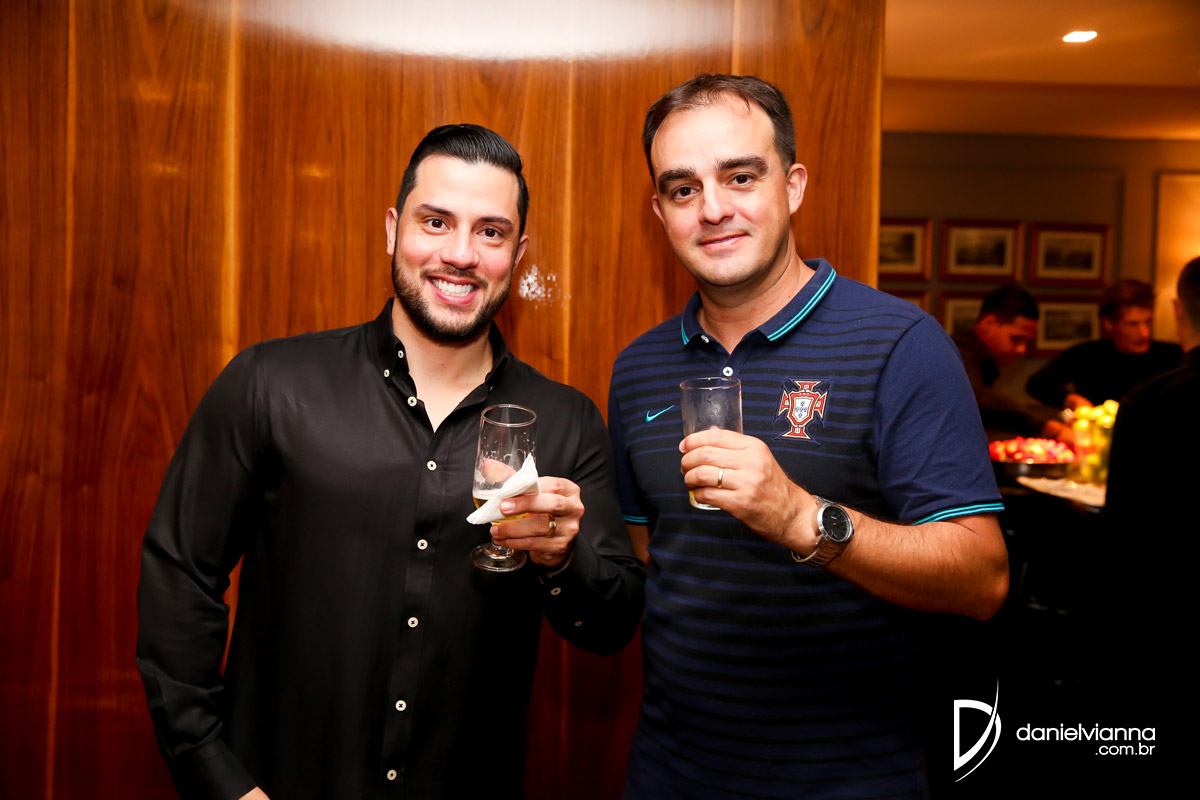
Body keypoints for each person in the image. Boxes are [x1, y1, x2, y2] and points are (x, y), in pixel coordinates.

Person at [136, 124, 644, 800]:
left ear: (517, 254)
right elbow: (180, 575)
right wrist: (217, 777)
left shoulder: (566, 420)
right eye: (436, 222)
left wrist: (562, 559)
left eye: (491, 232)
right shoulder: (270, 383)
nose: (460, 254)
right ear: (392, 229)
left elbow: (610, 625)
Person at [607, 74, 1008, 799]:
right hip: (670, 775)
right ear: (660, 212)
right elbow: (648, 556)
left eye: (740, 177)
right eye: (683, 189)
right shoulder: (638, 368)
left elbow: (981, 579)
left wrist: (802, 518)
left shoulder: (902, 344)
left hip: (849, 781)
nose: (713, 209)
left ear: (792, 186)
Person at [1026, 278, 1183, 409]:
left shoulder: (1173, 355)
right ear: (1108, 323)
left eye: (1148, 321)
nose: (1144, 333)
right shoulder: (1086, 355)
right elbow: (1037, 383)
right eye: (1132, 324)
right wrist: (1072, 400)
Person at [954, 284, 1072, 441]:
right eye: (1016, 339)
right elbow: (976, 396)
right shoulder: (958, 352)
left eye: (1027, 342)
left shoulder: (978, 357)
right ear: (989, 323)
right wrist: (1048, 426)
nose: (1022, 349)